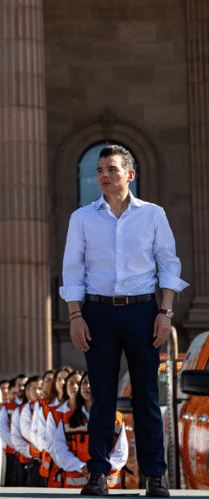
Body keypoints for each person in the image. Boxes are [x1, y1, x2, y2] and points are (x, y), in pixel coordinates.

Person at [60, 144, 187, 497]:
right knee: (101, 397)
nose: (103, 175)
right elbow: (72, 270)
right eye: (99, 170)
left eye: (111, 169)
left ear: (130, 175)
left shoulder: (153, 215)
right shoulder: (82, 218)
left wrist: (165, 313)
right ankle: (97, 474)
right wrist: (75, 316)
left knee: (146, 395)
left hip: (144, 312)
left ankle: (155, 476)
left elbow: (168, 265)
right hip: (97, 313)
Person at [49, 372, 128, 489]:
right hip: (75, 488)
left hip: (108, 487)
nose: (88, 386)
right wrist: (80, 466)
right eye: (85, 382)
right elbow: (59, 449)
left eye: (93, 382)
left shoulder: (115, 419)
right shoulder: (67, 419)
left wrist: (98, 468)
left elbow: (121, 454)